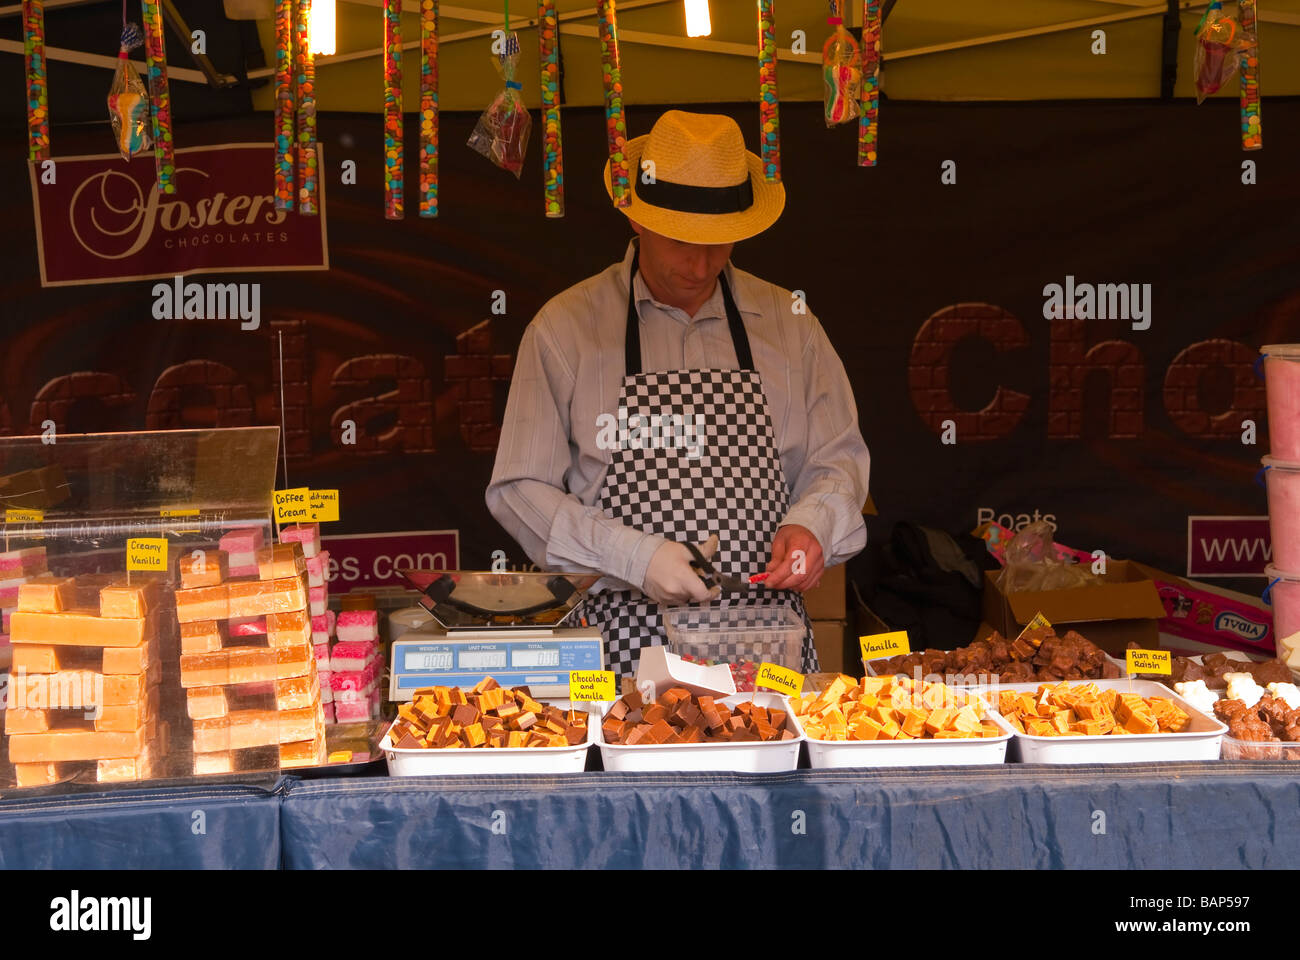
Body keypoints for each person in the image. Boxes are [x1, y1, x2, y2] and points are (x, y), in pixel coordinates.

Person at [487, 109, 870, 677]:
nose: (700, 265)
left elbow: (837, 461)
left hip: (767, 643)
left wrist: (814, 525)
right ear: (636, 220)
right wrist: (635, 556)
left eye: (719, 245)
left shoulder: (791, 323)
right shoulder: (565, 328)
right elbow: (520, 490)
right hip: (618, 644)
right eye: (681, 242)